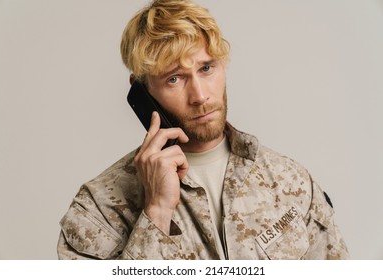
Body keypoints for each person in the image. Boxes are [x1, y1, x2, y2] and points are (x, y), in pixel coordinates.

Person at [57, 0, 349, 260]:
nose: (199, 95)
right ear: (142, 92)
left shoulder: (291, 180)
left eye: (206, 68)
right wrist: (157, 211)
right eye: (174, 79)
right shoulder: (97, 209)